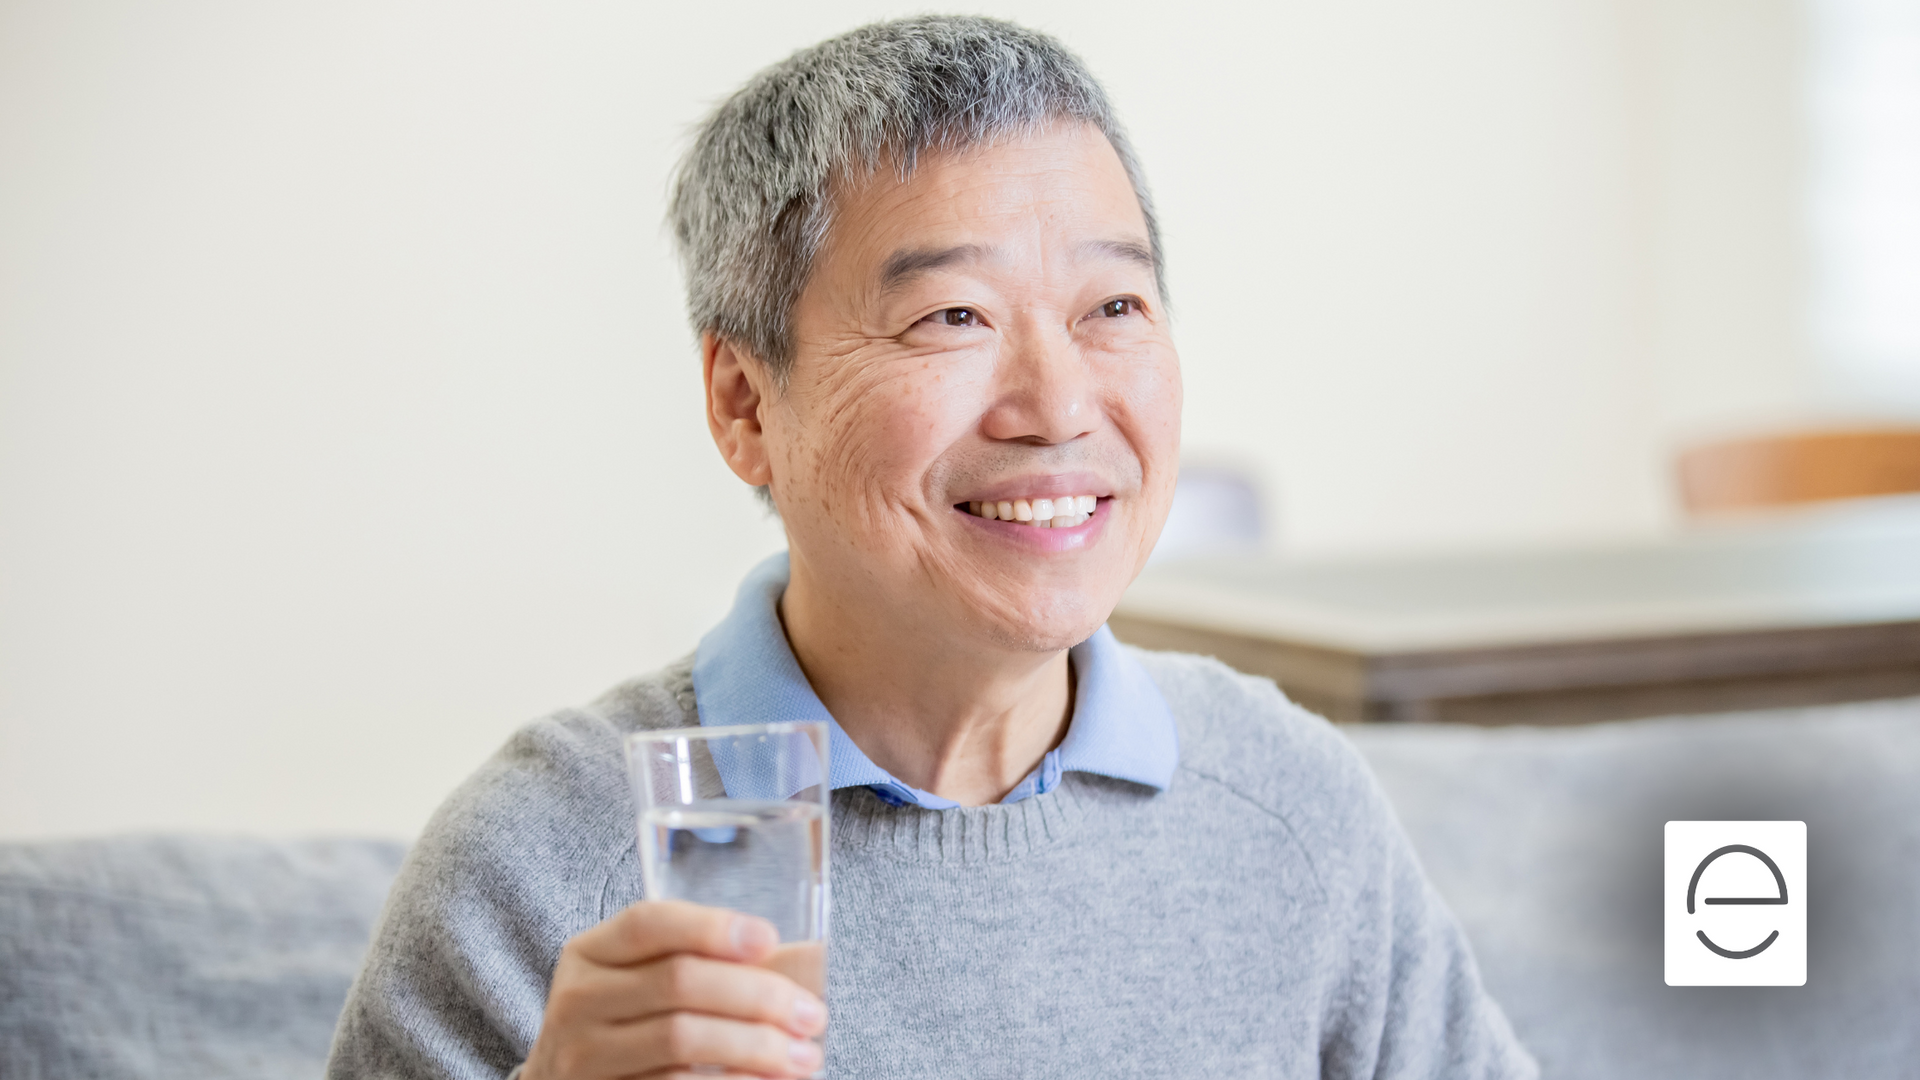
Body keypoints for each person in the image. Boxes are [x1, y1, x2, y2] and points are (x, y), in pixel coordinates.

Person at [327, 15, 1537, 1079]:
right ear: (747, 404)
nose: (1057, 405)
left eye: (1113, 308)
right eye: (952, 316)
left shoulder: (1286, 802)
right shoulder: (544, 865)